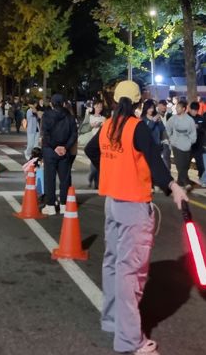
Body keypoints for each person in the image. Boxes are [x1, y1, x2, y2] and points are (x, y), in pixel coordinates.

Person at [84, 80, 188, 355]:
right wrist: (173, 187)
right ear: (139, 101)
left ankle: (111, 320)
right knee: (131, 272)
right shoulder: (136, 127)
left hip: (112, 203)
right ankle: (130, 340)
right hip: (133, 205)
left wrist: (111, 170)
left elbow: (90, 151)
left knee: (113, 263)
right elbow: (156, 161)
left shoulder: (107, 125)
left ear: (116, 100)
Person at [40, 94, 77, 215]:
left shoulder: (47, 115)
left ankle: (50, 205)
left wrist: (55, 146)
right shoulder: (69, 117)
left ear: (51, 104)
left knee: (49, 178)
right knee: (64, 178)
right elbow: (74, 135)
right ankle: (64, 204)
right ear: (64, 103)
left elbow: (45, 134)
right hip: (64, 151)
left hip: (50, 150)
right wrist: (65, 147)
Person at [164, 100, 196, 189]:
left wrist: (190, 142)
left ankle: (180, 182)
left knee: (185, 165)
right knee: (179, 164)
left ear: (184, 109)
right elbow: (167, 129)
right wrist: (170, 140)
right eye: (176, 107)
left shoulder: (190, 120)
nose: (177, 109)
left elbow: (193, 133)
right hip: (176, 145)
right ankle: (186, 182)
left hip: (187, 145)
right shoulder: (172, 119)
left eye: (178, 107)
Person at [87, 101, 107, 188]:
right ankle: (92, 177)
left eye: (101, 107)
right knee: (94, 163)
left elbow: (104, 126)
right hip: (92, 142)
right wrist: (98, 124)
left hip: (101, 141)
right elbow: (91, 125)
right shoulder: (90, 117)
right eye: (98, 106)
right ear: (94, 107)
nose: (99, 109)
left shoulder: (104, 118)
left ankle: (97, 182)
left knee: (99, 162)